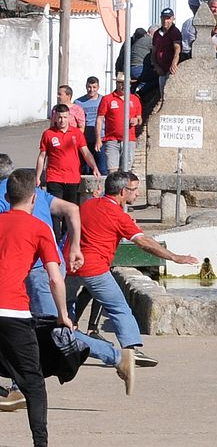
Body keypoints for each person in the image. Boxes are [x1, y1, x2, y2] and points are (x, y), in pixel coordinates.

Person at [0, 155, 135, 405]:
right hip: (44, 266)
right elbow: (72, 209)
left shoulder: (7, 195)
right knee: (27, 330)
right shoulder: (29, 190)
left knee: (56, 329)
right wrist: (74, 246)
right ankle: (20, 387)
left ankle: (115, 356)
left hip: (37, 271)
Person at [65, 171, 199, 369]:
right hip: (94, 268)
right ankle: (131, 350)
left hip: (68, 266)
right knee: (119, 308)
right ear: (122, 191)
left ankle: (68, 341)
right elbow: (143, 242)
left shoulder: (88, 204)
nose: (137, 194)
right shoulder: (119, 215)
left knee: (66, 311)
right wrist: (174, 257)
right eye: (134, 190)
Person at [0, 169, 72, 447]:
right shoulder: (40, 229)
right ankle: (40, 443)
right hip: (15, 311)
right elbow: (55, 278)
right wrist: (63, 315)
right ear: (34, 199)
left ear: (6, 197)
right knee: (33, 381)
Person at [35, 105, 100, 239]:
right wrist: (37, 176)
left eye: (65, 117)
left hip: (72, 178)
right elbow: (42, 156)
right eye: (59, 117)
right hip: (54, 177)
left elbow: (85, 152)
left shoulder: (76, 133)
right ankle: (56, 239)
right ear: (55, 117)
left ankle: (66, 240)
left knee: (70, 211)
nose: (62, 120)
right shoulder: (48, 134)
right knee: (55, 211)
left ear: (69, 117)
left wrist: (94, 167)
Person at [96, 72, 142, 173]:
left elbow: (139, 118)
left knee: (126, 171)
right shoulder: (107, 99)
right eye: (120, 83)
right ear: (116, 84)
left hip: (129, 140)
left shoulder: (134, 99)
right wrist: (98, 138)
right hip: (112, 140)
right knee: (112, 172)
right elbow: (99, 119)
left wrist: (136, 120)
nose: (123, 85)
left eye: (125, 83)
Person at [75, 76, 106, 175]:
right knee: (85, 168)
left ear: (98, 87)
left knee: (102, 167)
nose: (91, 90)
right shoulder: (79, 102)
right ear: (86, 86)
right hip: (85, 138)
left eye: (94, 87)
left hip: (100, 137)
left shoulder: (103, 100)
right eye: (89, 87)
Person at [151, 8, 182, 97]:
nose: (165, 21)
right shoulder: (157, 33)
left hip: (171, 70)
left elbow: (177, 50)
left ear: (173, 19)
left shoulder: (175, 32)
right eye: (164, 18)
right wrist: (156, 66)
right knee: (162, 95)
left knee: (170, 95)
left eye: (168, 18)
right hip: (161, 70)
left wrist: (173, 64)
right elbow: (154, 51)